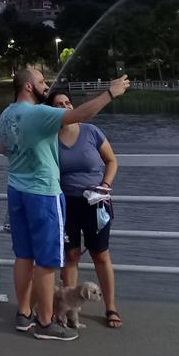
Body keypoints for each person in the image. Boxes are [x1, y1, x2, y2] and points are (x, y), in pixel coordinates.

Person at [0, 68, 129, 341]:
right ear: (30, 87)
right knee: (47, 262)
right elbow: (81, 115)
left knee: (23, 256)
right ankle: (46, 323)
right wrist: (110, 92)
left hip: (16, 190)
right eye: (42, 81)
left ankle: (24, 314)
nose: (46, 85)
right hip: (43, 194)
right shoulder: (38, 114)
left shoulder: (6, 115)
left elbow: (4, 149)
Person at [48, 90, 122, 329]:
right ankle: (68, 310)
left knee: (100, 255)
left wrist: (106, 185)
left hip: (96, 202)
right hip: (66, 203)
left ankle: (110, 307)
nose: (65, 106)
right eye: (58, 104)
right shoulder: (50, 138)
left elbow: (112, 161)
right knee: (69, 256)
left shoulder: (91, 132)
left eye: (68, 102)